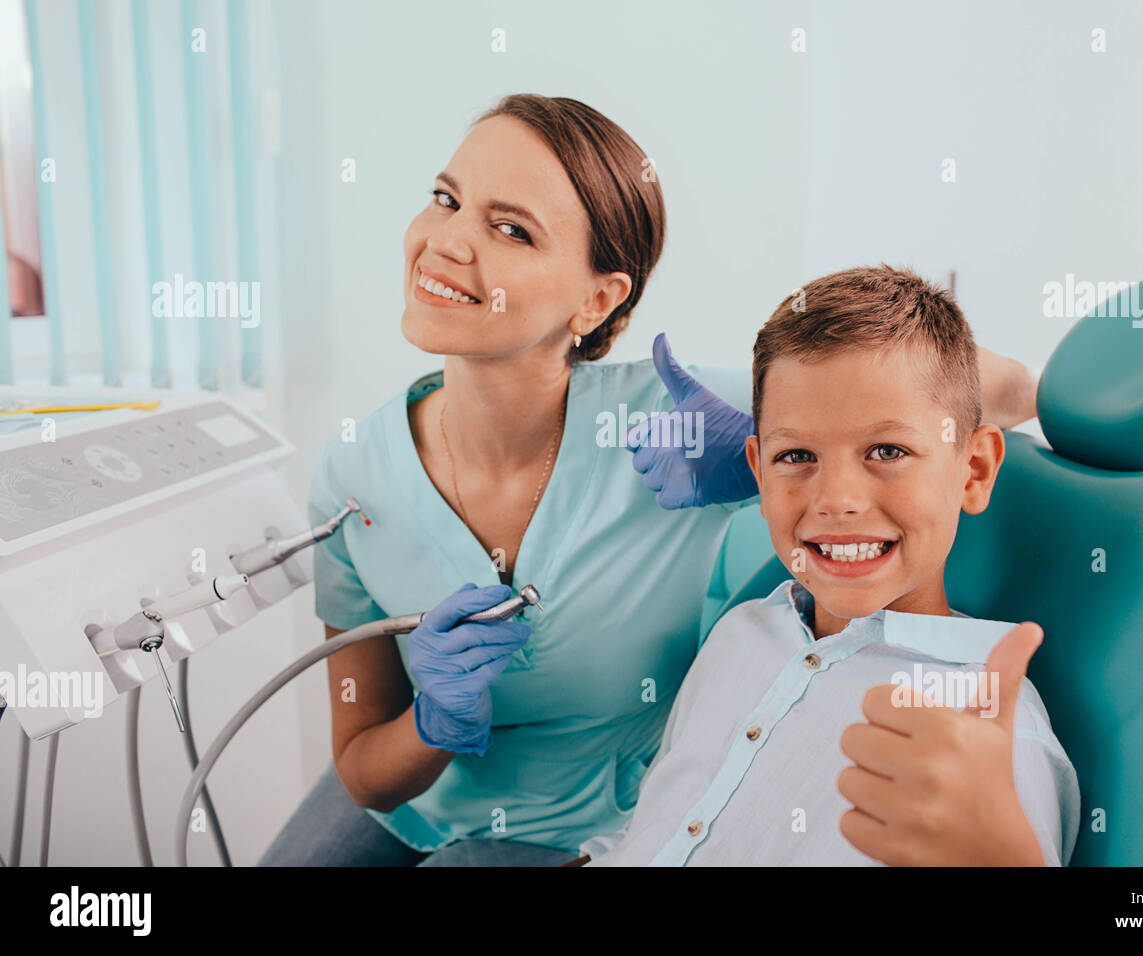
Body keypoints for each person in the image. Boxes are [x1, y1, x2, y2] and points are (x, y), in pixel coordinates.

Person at [259, 95, 1041, 866]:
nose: (446, 243)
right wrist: (433, 721)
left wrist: (773, 447)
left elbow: (952, 386)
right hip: (421, 800)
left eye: (511, 229)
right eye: (445, 199)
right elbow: (364, 770)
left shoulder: (681, 417)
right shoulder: (354, 475)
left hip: (605, 829)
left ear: (598, 299)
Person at [576, 265, 1079, 865]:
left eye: (887, 451)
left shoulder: (980, 729)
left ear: (973, 471)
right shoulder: (741, 634)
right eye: (797, 455)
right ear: (758, 473)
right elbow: (645, 835)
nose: (836, 498)